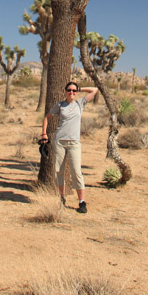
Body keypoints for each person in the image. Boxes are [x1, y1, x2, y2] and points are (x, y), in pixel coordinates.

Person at [40, 82, 98, 213]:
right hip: (59, 141)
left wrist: (80, 88)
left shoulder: (80, 104)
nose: (72, 93)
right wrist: (44, 133)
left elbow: (95, 90)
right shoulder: (59, 105)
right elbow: (46, 118)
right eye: (69, 90)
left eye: (74, 91)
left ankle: (82, 202)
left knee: (76, 172)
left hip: (74, 143)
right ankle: (61, 197)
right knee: (59, 171)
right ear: (65, 91)